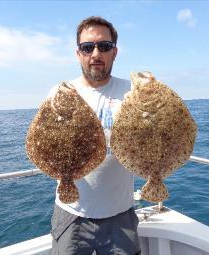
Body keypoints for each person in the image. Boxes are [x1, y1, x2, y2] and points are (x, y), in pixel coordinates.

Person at [49, 16, 141, 255]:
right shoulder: (60, 93)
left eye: (104, 46)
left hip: (121, 214)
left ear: (115, 52)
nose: (96, 53)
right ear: (78, 53)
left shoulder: (134, 92)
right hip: (71, 213)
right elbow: (45, 142)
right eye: (87, 47)